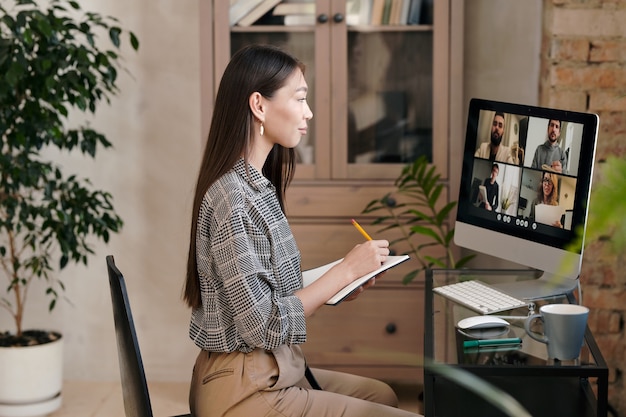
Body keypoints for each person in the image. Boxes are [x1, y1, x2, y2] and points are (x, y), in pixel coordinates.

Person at [183, 44, 421, 417]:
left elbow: (269, 294)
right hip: (243, 387)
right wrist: (344, 270)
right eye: (299, 99)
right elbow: (263, 325)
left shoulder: (257, 186)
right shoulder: (232, 198)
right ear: (259, 105)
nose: (308, 112)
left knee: (383, 396)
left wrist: (340, 282)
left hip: (269, 367)